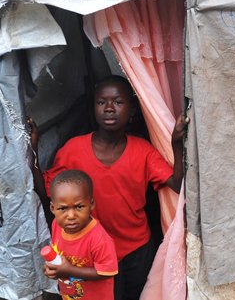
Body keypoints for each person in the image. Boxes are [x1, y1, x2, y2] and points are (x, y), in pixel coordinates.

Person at [36, 75, 187, 300]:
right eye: (101, 102)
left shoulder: (142, 150)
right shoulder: (73, 149)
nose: (109, 108)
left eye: (118, 102)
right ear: (93, 107)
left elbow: (176, 184)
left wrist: (175, 143)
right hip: (91, 254)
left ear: (132, 108)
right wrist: (32, 151)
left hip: (136, 249)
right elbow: (47, 191)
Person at [46, 169, 119, 300]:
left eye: (79, 207)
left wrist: (68, 270)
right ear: (52, 208)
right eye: (63, 208)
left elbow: (107, 272)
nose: (71, 216)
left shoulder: (98, 238)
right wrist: (51, 269)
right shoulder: (56, 225)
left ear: (91, 204)